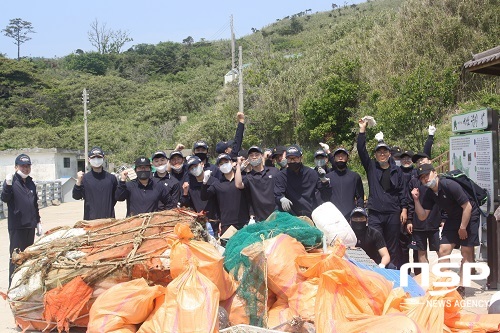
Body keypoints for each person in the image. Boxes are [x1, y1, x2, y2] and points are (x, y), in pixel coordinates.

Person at [411, 163, 481, 297]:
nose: (425, 179)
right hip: (453, 218)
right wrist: (416, 200)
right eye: (422, 178)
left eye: (427, 175)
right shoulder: (429, 193)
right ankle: (447, 284)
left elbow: (467, 207)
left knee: (466, 251)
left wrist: (463, 227)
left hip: (469, 216)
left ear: (435, 173)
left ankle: (462, 286)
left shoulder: (449, 185)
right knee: (443, 250)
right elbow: (422, 216)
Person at [357, 119, 406, 269]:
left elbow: (402, 191)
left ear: (390, 154)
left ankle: (393, 273)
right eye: (379, 152)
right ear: (376, 155)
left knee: (392, 245)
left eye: (385, 151)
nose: (382, 154)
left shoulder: (397, 171)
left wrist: (404, 209)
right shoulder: (371, 167)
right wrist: (362, 130)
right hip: (375, 213)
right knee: (374, 243)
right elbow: (361, 150)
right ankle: (374, 272)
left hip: (393, 212)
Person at [1, 154, 41, 286]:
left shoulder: (31, 182)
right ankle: (13, 286)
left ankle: (25, 283)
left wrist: (38, 221)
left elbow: (34, 204)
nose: (25, 168)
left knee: (28, 257)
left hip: (30, 226)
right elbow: (5, 198)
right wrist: (7, 185)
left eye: (27, 166)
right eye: (22, 166)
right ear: (16, 167)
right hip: (17, 227)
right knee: (16, 257)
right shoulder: (11, 181)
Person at [201, 153, 250, 234]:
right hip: (227, 224)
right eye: (221, 164)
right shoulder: (217, 184)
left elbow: (250, 198)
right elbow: (204, 197)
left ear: (231, 162)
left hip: (244, 221)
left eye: (226, 162)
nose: (224, 165)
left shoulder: (242, 180)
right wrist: (204, 182)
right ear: (218, 167)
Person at [274, 145, 321, 218]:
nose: (292, 161)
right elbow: (278, 193)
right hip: (291, 216)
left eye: (294, 158)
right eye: (289, 159)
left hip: (311, 214)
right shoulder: (281, 176)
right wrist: (281, 199)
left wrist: (325, 181)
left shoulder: (312, 173)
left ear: (300, 158)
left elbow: (322, 192)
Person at [235, 145, 279, 222]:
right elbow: (238, 184)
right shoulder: (248, 177)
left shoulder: (274, 171)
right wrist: (238, 166)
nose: (254, 157)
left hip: (277, 214)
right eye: (251, 155)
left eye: (256, 154)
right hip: (260, 218)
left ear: (262, 156)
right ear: (248, 159)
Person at [319, 147, 364, 221]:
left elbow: (360, 198)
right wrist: (324, 184)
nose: (340, 157)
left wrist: (359, 214)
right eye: (338, 156)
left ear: (347, 158)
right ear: (334, 158)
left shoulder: (355, 177)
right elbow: (324, 197)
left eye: (343, 155)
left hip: (350, 217)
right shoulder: (328, 177)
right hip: (332, 217)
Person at [72, 147, 118, 220]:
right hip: (90, 221)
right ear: (89, 159)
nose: (96, 160)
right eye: (93, 157)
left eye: (99, 157)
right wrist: (78, 182)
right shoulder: (85, 179)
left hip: (109, 221)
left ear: (103, 158)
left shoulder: (111, 178)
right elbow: (76, 196)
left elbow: (116, 197)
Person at [179, 155, 220, 233]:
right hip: (199, 225)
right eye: (191, 168)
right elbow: (185, 205)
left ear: (202, 164)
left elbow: (221, 203)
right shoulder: (190, 186)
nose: (194, 169)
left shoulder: (214, 182)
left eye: (195, 166)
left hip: (215, 223)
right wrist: (185, 193)